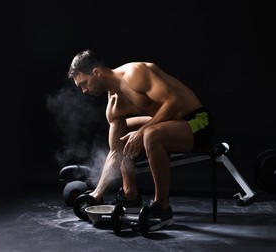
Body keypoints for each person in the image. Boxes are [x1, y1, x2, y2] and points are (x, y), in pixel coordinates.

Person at [67, 49, 215, 231]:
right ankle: (130, 195)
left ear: (96, 72)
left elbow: (173, 102)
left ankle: (162, 208)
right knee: (125, 131)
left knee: (150, 134)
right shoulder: (113, 106)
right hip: (170, 124)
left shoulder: (134, 74)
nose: (83, 91)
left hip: (197, 121)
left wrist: (142, 131)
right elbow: (115, 152)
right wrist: (97, 194)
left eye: (84, 83)